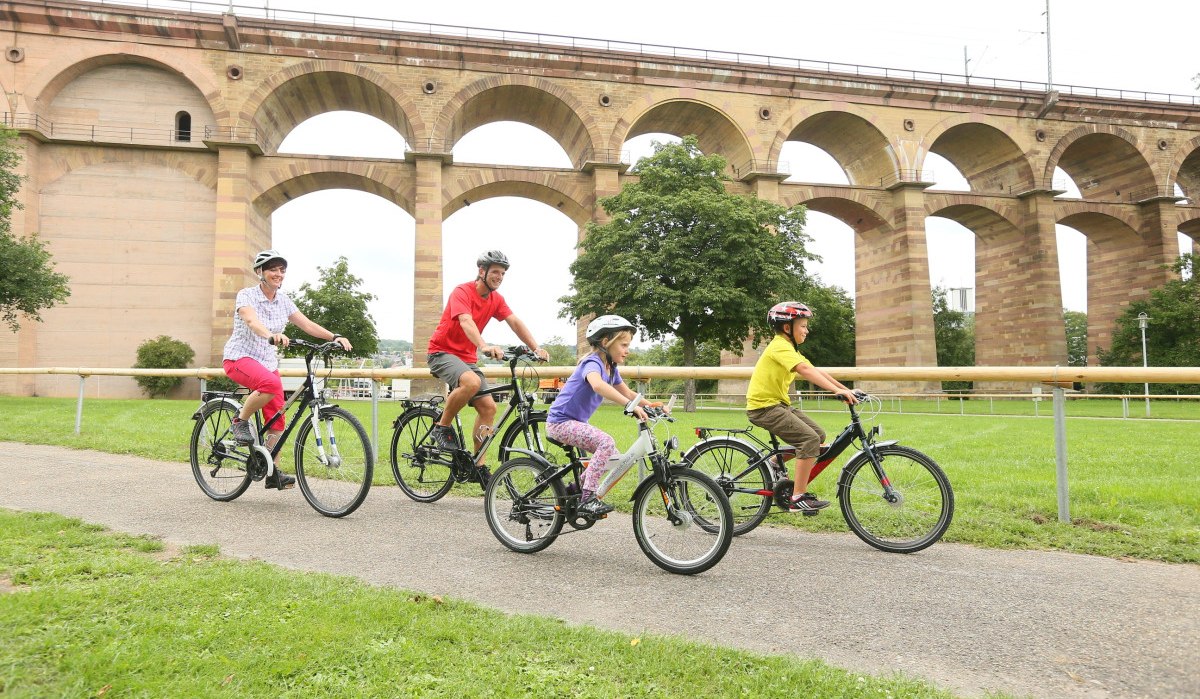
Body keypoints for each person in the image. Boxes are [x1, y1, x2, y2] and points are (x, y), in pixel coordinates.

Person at [222, 249, 353, 490]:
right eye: (273, 269)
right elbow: (251, 321)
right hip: (239, 358)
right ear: (260, 272)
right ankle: (239, 421)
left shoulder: (284, 301)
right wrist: (270, 335)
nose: (278, 274)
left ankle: (270, 468)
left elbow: (306, 324)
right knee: (270, 386)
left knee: (278, 419)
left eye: (282, 270)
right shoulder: (247, 295)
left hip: (267, 363)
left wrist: (334, 336)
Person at [425, 250, 549, 479]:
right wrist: (483, 345)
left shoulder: (496, 300)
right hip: (442, 353)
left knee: (489, 408)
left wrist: (535, 347)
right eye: (495, 272)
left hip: (466, 359)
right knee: (471, 381)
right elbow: (466, 321)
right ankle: (441, 427)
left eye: (502, 274)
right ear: (482, 272)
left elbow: (514, 321)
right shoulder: (462, 292)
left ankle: (478, 466)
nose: (499, 277)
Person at [746, 301, 857, 512]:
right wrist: (837, 391)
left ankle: (775, 462)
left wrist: (846, 389)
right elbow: (804, 369)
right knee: (809, 440)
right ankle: (798, 498)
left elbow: (815, 370)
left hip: (777, 405)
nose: (807, 330)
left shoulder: (788, 347)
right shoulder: (779, 345)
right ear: (787, 328)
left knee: (819, 435)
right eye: (803, 326)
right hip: (763, 407)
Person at [545, 315, 655, 516]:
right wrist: (630, 406)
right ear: (606, 342)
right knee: (606, 442)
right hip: (560, 422)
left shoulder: (611, 368)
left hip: (575, 422)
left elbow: (628, 393)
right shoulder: (592, 363)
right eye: (623, 344)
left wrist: (652, 405)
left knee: (613, 457)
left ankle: (574, 490)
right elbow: (597, 384)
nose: (627, 350)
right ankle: (587, 498)